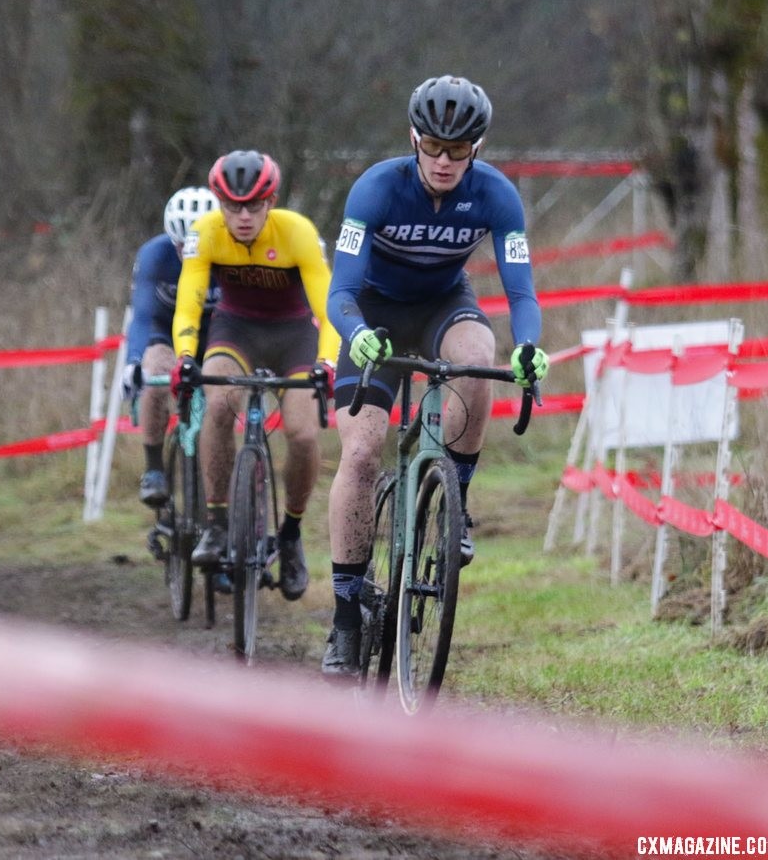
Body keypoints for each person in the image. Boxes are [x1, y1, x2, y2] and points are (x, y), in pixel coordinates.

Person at [320, 75, 549, 675]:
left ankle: (455, 501)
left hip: (445, 304)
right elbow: (340, 289)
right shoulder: (376, 188)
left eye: (460, 149)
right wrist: (355, 332)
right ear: (414, 138)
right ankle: (345, 615)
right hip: (372, 315)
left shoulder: (497, 195)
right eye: (434, 147)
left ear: (478, 146)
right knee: (363, 453)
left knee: (479, 351)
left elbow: (521, 290)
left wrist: (529, 347)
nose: (445, 161)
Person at [171, 149, 340, 601]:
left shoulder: (297, 232)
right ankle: (219, 522)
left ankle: (290, 535)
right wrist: (186, 355)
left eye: (253, 206)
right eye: (231, 206)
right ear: (218, 203)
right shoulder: (204, 232)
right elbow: (189, 299)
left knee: (303, 435)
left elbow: (328, 308)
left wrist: (327, 363)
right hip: (236, 330)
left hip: (294, 337)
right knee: (219, 404)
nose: (242, 216)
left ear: (271, 202)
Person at [123, 186, 220, 507]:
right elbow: (141, 314)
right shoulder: (155, 255)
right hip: (163, 331)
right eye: (181, 244)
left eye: (197, 243)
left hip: (216, 335)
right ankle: (154, 468)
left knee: (226, 397)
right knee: (155, 379)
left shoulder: (230, 254)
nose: (188, 251)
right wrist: (134, 362)